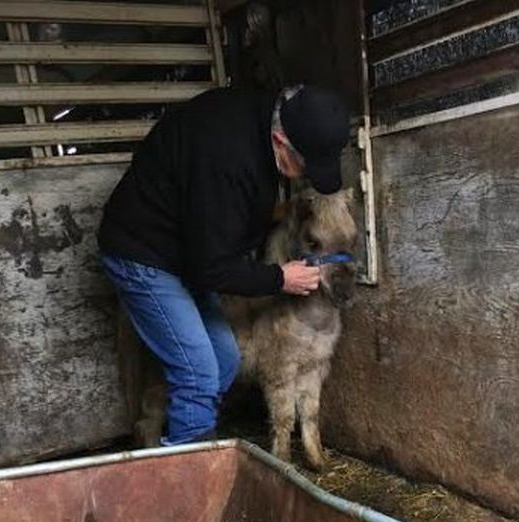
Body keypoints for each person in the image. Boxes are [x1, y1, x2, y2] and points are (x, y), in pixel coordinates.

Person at [97, 84, 350, 445]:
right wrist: (279, 278)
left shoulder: (268, 110)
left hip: (185, 247)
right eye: (305, 167)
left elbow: (221, 225)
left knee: (224, 361)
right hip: (144, 252)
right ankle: (189, 477)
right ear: (280, 140)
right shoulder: (226, 161)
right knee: (198, 374)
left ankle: (188, 431)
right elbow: (212, 269)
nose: (304, 176)